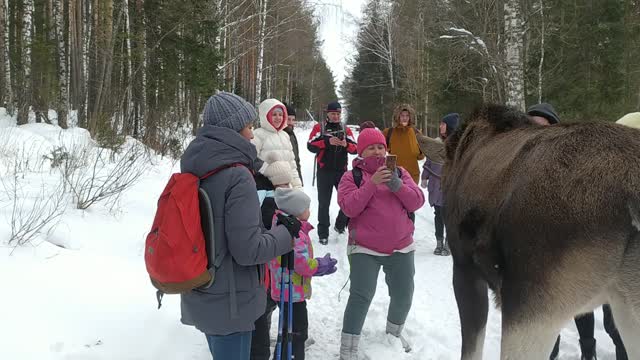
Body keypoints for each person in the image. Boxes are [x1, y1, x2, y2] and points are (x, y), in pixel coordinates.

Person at [179, 91, 300, 360]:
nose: (251, 134)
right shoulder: (237, 175)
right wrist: (286, 233)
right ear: (233, 130)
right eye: (248, 126)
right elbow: (248, 250)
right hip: (232, 301)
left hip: (202, 289)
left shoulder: (195, 165)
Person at [526, 103, 627, 360]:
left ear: (554, 128)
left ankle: (588, 350)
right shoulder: (522, 162)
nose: (535, 131)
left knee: (593, 308)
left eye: (541, 125)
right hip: (540, 249)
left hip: (582, 245)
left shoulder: (573, 158)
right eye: (529, 125)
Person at [337, 128, 425, 360]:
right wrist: (371, 184)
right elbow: (348, 207)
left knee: (404, 294)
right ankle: (348, 349)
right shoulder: (351, 177)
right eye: (371, 148)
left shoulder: (401, 173)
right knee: (361, 295)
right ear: (361, 152)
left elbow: (417, 202)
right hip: (364, 247)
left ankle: (393, 335)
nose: (377, 152)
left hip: (401, 245)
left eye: (380, 147)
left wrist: (396, 184)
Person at [268, 188, 338, 360]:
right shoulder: (295, 233)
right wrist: (322, 265)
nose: (309, 211)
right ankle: (292, 354)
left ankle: (287, 352)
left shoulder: (282, 225)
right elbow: (302, 264)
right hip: (291, 291)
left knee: (288, 328)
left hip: (284, 288)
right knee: (297, 331)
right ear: (296, 211)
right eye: (307, 208)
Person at [250, 161, 293, 360]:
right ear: (275, 184)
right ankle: (260, 349)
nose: (288, 188)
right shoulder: (268, 201)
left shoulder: (267, 196)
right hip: (268, 261)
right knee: (264, 305)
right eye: (285, 184)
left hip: (268, 262)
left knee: (265, 305)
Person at [307, 101, 357, 245]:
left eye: (338, 114)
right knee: (324, 203)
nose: (336, 116)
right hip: (324, 171)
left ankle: (340, 225)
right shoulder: (320, 127)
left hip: (342, 171)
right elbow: (310, 145)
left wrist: (346, 144)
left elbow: (356, 149)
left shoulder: (345, 129)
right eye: (333, 113)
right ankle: (323, 233)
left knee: (347, 201)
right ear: (327, 114)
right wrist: (327, 143)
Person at [417, 113, 460, 256]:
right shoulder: (435, 143)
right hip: (436, 186)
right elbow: (428, 161)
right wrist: (424, 177)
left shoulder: (458, 145)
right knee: (438, 215)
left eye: (443, 123)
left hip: (451, 187)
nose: (440, 126)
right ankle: (439, 242)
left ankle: (449, 243)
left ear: (450, 126)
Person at [253, 98, 303, 189]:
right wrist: (267, 170)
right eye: (274, 114)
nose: (278, 117)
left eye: (281, 114)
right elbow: (251, 160)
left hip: (286, 188)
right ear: (266, 115)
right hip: (265, 188)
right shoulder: (257, 135)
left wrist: (298, 187)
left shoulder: (285, 136)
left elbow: (292, 166)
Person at [383, 104, 424, 183]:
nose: (405, 118)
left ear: (410, 117)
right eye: (402, 115)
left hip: (412, 175)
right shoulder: (388, 132)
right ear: (397, 117)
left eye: (407, 116)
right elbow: (380, 151)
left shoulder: (416, 133)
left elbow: (421, 156)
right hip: (394, 175)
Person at [283, 103, 303, 184]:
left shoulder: (292, 134)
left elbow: (296, 161)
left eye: (293, 119)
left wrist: (300, 180)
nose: (291, 123)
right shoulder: (278, 135)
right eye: (288, 119)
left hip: (294, 179)